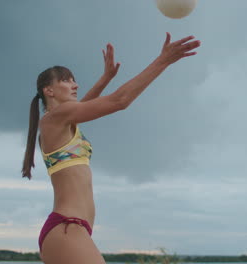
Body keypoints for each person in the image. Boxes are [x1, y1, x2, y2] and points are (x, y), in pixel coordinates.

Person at [21, 32, 201, 264]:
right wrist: (162, 61)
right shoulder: (55, 117)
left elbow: (84, 108)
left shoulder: (61, 122)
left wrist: (105, 78)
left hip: (72, 230)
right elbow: (119, 101)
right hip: (67, 228)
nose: (75, 84)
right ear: (49, 90)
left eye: (74, 79)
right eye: (66, 80)